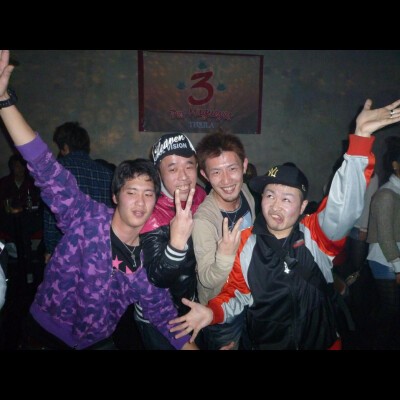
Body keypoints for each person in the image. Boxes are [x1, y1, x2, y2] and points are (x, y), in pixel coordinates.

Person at [0, 50, 196, 350]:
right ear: (115, 196)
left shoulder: (146, 259)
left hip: (97, 342)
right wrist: (4, 102)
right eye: (131, 192)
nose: (140, 202)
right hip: (44, 334)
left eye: (148, 194)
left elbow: (163, 313)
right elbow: (43, 164)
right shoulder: (86, 217)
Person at [170, 98, 400, 350]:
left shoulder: (315, 235)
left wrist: (361, 140)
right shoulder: (246, 242)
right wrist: (212, 312)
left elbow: (342, 206)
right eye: (269, 195)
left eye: (287, 198)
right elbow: (237, 293)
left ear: (302, 207)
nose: (275, 205)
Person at [134, 133, 206, 349]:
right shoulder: (150, 211)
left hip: (192, 308)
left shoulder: (200, 195)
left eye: (189, 166)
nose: (184, 177)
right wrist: (177, 243)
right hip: (160, 317)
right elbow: (157, 278)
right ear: (158, 173)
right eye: (173, 169)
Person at [191, 131, 256, 349]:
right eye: (216, 172)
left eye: (232, 169)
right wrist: (225, 255)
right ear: (205, 175)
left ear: (244, 166)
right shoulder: (204, 221)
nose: (227, 180)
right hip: (222, 310)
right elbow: (206, 280)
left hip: (251, 296)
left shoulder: (245, 192)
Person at [43, 122, 114, 263]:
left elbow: (50, 216)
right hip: (100, 248)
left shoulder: (57, 171)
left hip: (67, 249)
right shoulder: (107, 173)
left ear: (65, 147)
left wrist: (50, 249)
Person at [367, 142, 400, 349]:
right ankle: (374, 341)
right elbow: (386, 236)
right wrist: (398, 267)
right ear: (395, 165)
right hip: (385, 259)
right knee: (391, 308)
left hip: (395, 259)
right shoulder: (387, 194)